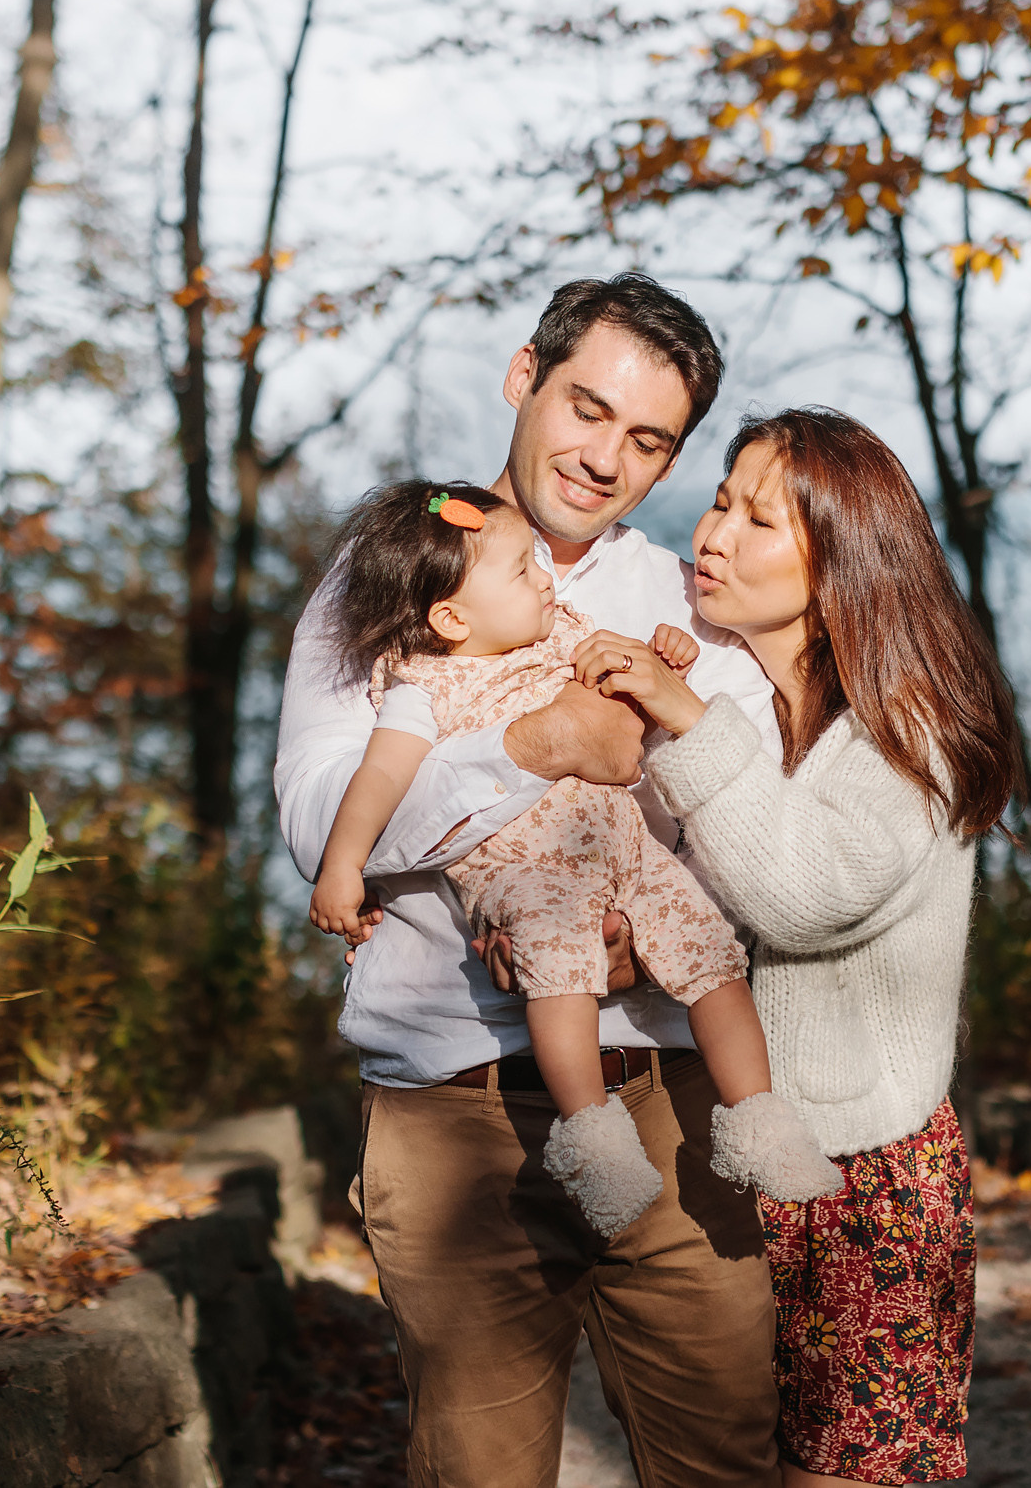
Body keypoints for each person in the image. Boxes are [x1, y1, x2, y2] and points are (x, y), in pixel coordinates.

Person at [273, 275, 785, 1487]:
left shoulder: (684, 602)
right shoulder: (389, 569)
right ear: (523, 378)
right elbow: (317, 820)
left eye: (647, 440)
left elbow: (757, 822)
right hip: (456, 1115)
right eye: (586, 409)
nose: (604, 458)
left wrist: (643, 937)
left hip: (669, 1098)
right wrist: (526, 746)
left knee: (724, 1464)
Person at [578, 407, 1020, 1488]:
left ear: (841, 564)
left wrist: (683, 718)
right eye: (718, 501)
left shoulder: (911, 726)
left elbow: (803, 895)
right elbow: (719, 909)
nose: (713, 535)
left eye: (758, 519)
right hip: (728, 1155)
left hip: (863, 1174)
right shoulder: (747, 706)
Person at [301, 477, 837, 1233]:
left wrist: (665, 658)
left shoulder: (565, 634)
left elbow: (632, 690)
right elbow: (379, 780)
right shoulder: (426, 685)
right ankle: (592, 1140)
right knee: (559, 973)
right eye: (522, 571)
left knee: (713, 959)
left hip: (628, 850)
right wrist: (341, 868)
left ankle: (760, 1121)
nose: (545, 579)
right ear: (452, 617)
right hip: (526, 873)